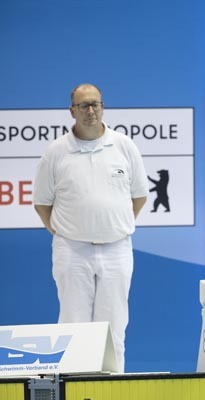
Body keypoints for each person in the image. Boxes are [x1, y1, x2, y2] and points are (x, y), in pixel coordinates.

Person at [33, 83, 149, 372]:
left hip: (117, 249)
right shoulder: (56, 152)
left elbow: (139, 196)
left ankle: (113, 386)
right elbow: (42, 203)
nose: (90, 111)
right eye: (83, 105)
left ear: (103, 107)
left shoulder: (124, 146)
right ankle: (73, 386)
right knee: (73, 327)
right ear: (71, 111)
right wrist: (65, 232)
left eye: (95, 104)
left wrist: (113, 225)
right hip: (72, 250)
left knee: (114, 328)